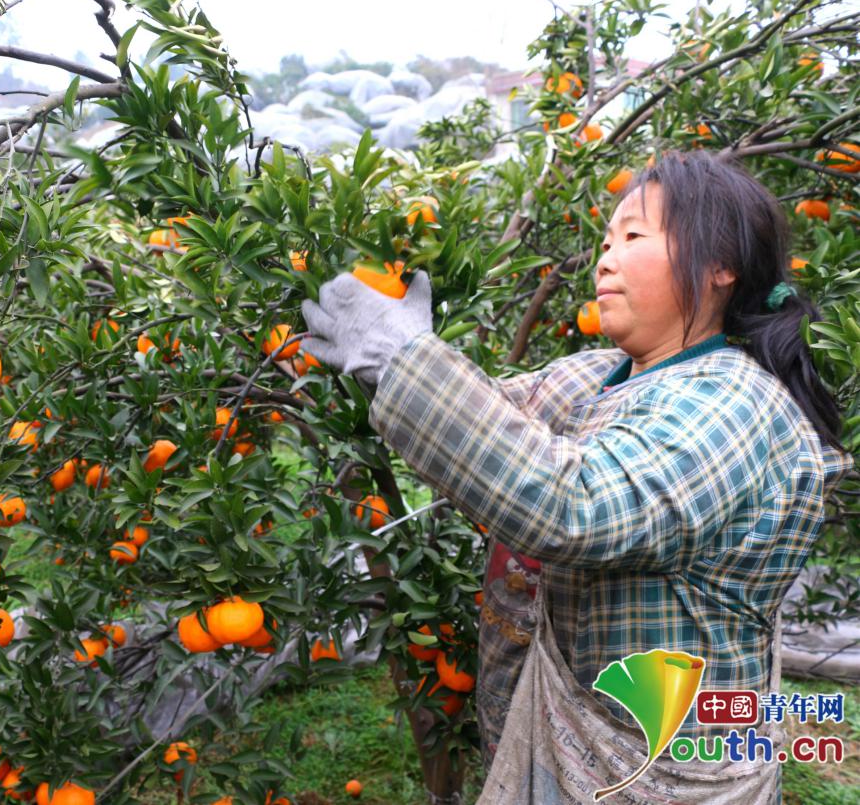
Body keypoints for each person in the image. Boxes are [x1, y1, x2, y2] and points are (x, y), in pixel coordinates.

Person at [300, 150, 852, 803]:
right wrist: (393, 361)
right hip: (576, 747)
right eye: (606, 238)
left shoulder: (733, 404)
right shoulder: (602, 376)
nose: (605, 257)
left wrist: (404, 359)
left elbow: (573, 504)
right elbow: (493, 425)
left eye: (634, 236)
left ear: (720, 265)